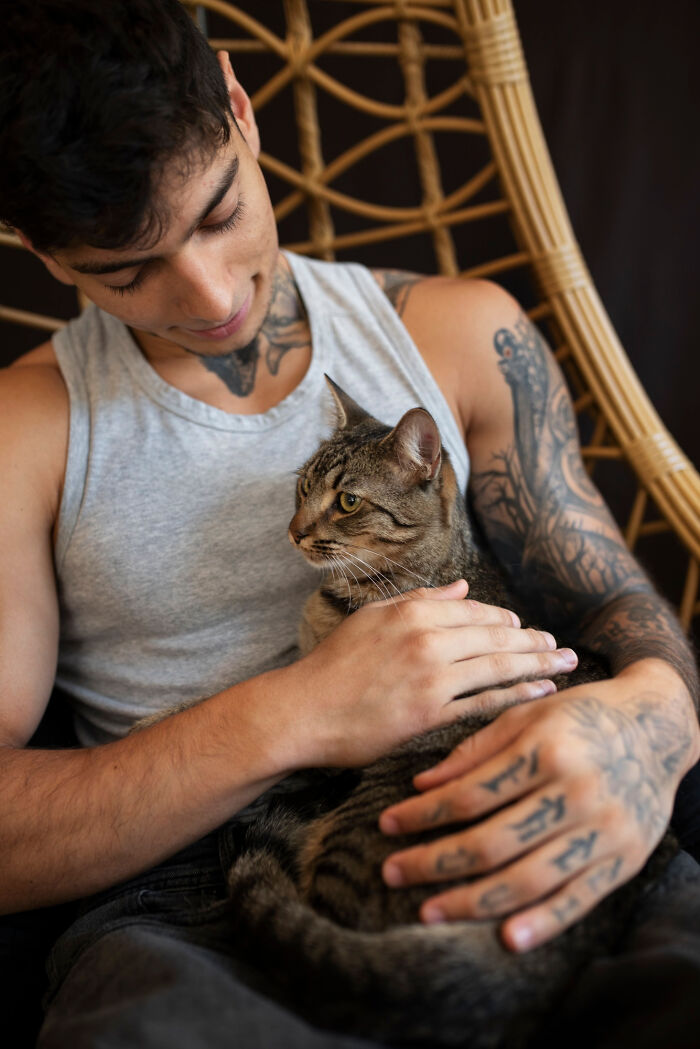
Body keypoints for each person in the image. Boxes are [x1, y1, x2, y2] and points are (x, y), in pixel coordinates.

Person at [0, 1, 698, 1046]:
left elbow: (610, 602)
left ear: (239, 108)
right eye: (126, 269)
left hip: (517, 789)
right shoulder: (23, 428)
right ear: (43, 255)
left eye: (217, 212)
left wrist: (650, 719)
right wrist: (297, 711)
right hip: (204, 899)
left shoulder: (464, 335)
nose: (208, 294)